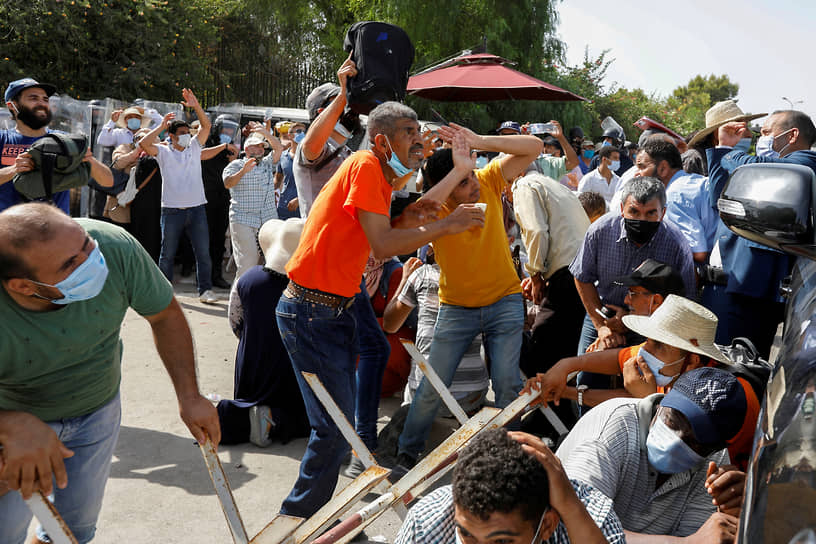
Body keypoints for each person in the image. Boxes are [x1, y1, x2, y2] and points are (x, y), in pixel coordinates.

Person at [275, 101, 482, 520]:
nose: (419, 142)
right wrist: (446, 225)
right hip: (313, 310)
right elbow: (386, 244)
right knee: (331, 430)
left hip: (339, 304)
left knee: (374, 351)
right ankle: (300, 518)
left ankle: (363, 445)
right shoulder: (367, 166)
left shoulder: (377, 172)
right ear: (383, 140)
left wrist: (458, 174)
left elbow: (405, 221)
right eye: (410, 133)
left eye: (419, 133)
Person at [0, 202, 220, 544]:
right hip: (13, 430)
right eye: (71, 264)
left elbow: (164, 314)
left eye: (87, 244)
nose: (91, 259)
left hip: (97, 413)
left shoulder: (114, 245)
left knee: (72, 533)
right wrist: (10, 425)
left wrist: (189, 395)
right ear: (23, 286)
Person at [395, 122, 542, 470]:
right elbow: (412, 217)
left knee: (507, 384)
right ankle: (406, 452)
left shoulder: (490, 179)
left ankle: (511, 457)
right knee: (432, 386)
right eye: (463, 181)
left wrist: (480, 139)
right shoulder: (437, 209)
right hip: (457, 308)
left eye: (471, 175)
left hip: (505, 300)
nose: (473, 183)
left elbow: (534, 146)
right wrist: (455, 174)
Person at [556, 367, 749, 541]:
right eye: (672, 422)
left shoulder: (714, 463)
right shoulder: (613, 429)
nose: (675, 441)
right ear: (664, 400)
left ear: (712, 449)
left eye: (693, 442)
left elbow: (697, 536)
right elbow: (573, 528)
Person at [702, 108, 816, 358]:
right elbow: (720, 200)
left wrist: (726, 150)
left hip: (752, 289)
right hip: (729, 283)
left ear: (792, 135)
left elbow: (746, 164)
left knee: (734, 369)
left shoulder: (804, 165)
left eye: (766, 133)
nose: (759, 139)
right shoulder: (773, 165)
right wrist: (724, 151)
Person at [395, 428, 625, 544]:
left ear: (546, 526)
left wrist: (571, 507)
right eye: (466, 535)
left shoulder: (591, 521)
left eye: (501, 542)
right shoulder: (425, 525)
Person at [529, 294, 730, 408]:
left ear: (694, 361)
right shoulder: (671, 361)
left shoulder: (715, 398)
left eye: (659, 344)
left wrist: (647, 400)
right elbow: (618, 361)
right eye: (648, 341)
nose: (643, 351)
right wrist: (566, 367)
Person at [570, 176, 695, 356]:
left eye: (651, 213)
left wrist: (635, 320)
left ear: (663, 212)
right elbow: (582, 277)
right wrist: (601, 327)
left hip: (652, 325)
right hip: (603, 313)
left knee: (643, 377)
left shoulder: (676, 244)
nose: (641, 219)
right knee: (587, 373)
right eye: (634, 212)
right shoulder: (600, 231)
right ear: (622, 209)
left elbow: (684, 299)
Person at [220, 217, 309, 446]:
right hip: (290, 367)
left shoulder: (248, 278)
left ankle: (253, 415)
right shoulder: (308, 288)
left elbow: (235, 323)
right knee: (307, 416)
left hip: (253, 363)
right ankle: (274, 419)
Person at [139, 88, 225, 304]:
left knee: (202, 253)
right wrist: (160, 126)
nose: (188, 136)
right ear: (171, 136)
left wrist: (196, 106)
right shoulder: (163, 151)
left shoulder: (195, 147)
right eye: (183, 133)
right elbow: (143, 145)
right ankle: (165, 291)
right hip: (171, 211)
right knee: (167, 254)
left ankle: (205, 291)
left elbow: (206, 126)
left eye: (189, 132)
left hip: (197, 209)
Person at [383, 247, 489, 415]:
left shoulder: (422, 275)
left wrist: (405, 279)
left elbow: (390, 325)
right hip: (470, 399)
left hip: (423, 398)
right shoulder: (485, 277)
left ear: (431, 250)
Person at [513, 172, 590, 375]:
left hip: (566, 276)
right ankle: (558, 402)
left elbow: (536, 231)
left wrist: (536, 275)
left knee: (541, 350)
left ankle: (548, 403)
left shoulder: (523, 184)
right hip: (580, 273)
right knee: (562, 351)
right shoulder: (556, 187)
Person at [1, 78, 112, 213]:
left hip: (55, 228)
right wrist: (13, 169)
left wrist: (89, 160)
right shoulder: (3, 139)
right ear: (12, 105)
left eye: (45, 99)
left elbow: (108, 182)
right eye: (33, 98)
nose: (41, 103)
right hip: (10, 227)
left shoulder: (63, 141)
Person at [635, 137, 718, 263]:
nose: (637, 174)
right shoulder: (692, 182)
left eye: (642, 167)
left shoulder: (674, 195)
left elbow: (697, 253)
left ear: (663, 168)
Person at [585, 258, 686, 352]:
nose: (626, 300)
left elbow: (624, 358)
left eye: (632, 294)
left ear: (656, 301)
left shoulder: (667, 346)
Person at [222, 126, 283, 280]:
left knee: (271, 265)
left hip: (268, 221)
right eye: (258, 146)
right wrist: (243, 171)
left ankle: (258, 301)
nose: (261, 149)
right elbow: (228, 183)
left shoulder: (267, 163)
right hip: (243, 220)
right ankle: (238, 302)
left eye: (263, 147)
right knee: (247, 266)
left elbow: (278, 148)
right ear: (247, 148)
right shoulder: (235, 165)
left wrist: (265, 133)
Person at [202, 114, 241, 289]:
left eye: (231, 130)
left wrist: (234, 158)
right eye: (225, 129)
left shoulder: (232, 150)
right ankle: (202, 276)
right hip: (205, 198)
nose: (228, 132)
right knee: (204, 239)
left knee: (218, 240)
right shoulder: (207, 145)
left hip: (223, 198)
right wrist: (222, 146)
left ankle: (216, 275)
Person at [275, 121, 305, 220]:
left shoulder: (311, 158)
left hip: (303, 209)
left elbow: (316, 185)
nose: (302, 135)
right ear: (289, 135)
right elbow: (277, 179)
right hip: (284, 207)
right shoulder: (283, 156)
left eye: (304, 132)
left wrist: (299, 200)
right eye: (299, 131)